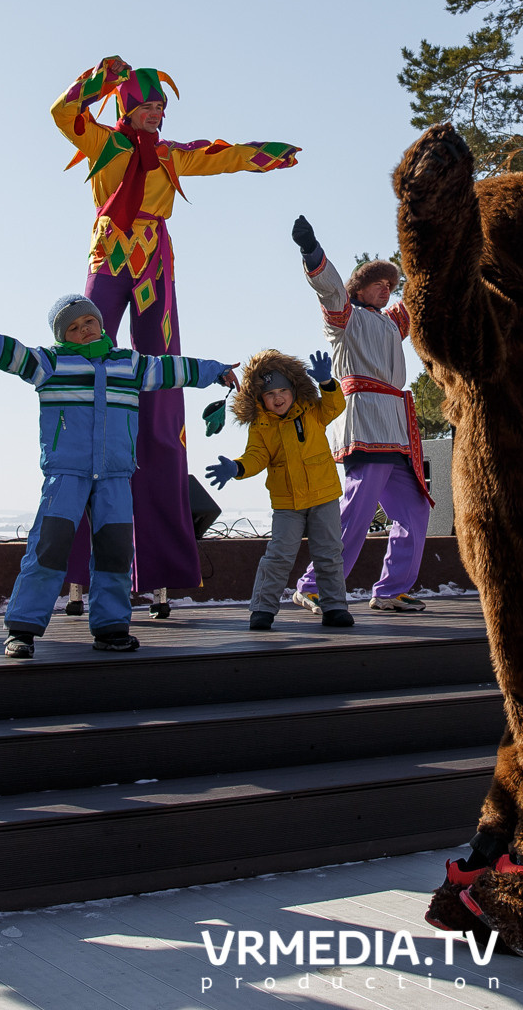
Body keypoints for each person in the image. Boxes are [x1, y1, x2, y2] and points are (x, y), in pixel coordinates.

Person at [51, 55, 299, 617]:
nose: (156, 116)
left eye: (161, 108)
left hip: (154, 260)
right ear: (126, 110)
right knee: (87, 367)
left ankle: (158, 568)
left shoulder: (167, 155)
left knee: (160, 394)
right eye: (146, 107)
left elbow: (223, 154)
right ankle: (76, 576)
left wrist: (269, 156)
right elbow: (63, 111)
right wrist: (99, 79)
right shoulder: (103, 145)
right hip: (109, 251)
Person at [0, 287, 238, 658]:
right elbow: (10, 353)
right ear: (62, 336)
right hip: (67, 474)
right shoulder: (50, 364)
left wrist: (216, 372)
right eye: (73, 327)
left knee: (116, 552)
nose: (85, 329)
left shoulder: (131, 364)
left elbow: (174, 367)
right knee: (49, 549)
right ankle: (22, 630)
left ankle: (110, 628)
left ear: (101, 323)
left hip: (115, 476)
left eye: (89, 321)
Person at [287, 216, 431, 613]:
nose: (386, 289)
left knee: (415, 511)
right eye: (378, 283)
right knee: (357, 512)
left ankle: (390, 589)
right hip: (365, 423)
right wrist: (312, 252)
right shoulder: (344, 317)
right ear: (359, 288)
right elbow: (330, 288)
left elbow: (423, 294)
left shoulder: (392, 324)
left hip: (398, 431)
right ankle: (314, 584)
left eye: (390, 285)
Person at [206, 350, 354, 632]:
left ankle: (335, 607)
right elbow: (256, 457)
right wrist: (236, 468)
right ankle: (262, 608)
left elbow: (336, 406)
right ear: (260, 398)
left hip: (323, 496)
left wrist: (326, 383)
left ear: (294, 389)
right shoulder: (261, 425)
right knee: (279, 556)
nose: (278, 398)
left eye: (284, 390)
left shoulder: (312, 410)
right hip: (287, 503)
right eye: (270, 393)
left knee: (329, 553)